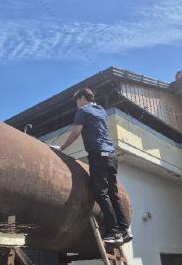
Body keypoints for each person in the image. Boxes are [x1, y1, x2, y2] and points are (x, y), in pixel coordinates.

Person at [51, 87, 132, 245]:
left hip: (98, 155)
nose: (77, 105)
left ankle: (114, 232)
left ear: (81, 98)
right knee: (113, 193)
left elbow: (76, 132)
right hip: (111, 156)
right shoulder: (101, 110)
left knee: (101, 193)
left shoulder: (83, 110)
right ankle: (124, 230)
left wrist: (62, 148)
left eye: (77, 101)